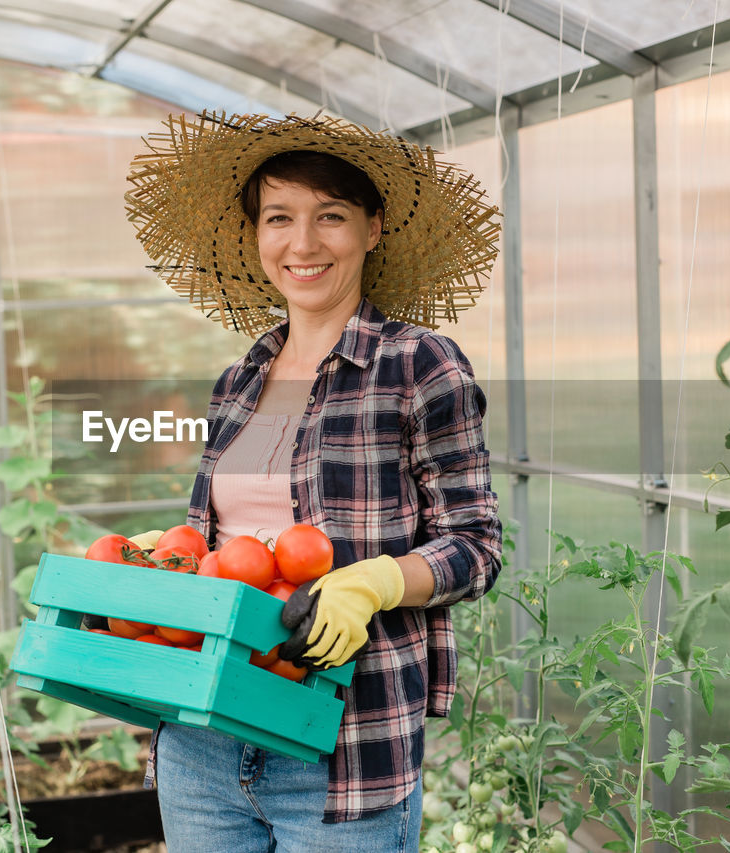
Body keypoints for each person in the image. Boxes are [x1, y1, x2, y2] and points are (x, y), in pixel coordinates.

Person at [124, 112, 503, 853]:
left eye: (330, 216)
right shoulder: (239, 381)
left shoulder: (420, 365)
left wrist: (374, 583)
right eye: (280, 217)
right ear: (255, 234)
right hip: (203, 738)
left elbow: (476, 546)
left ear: (373, 227)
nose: (303, 243)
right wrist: (165, 554)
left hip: (344, 749)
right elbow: (226, 546)